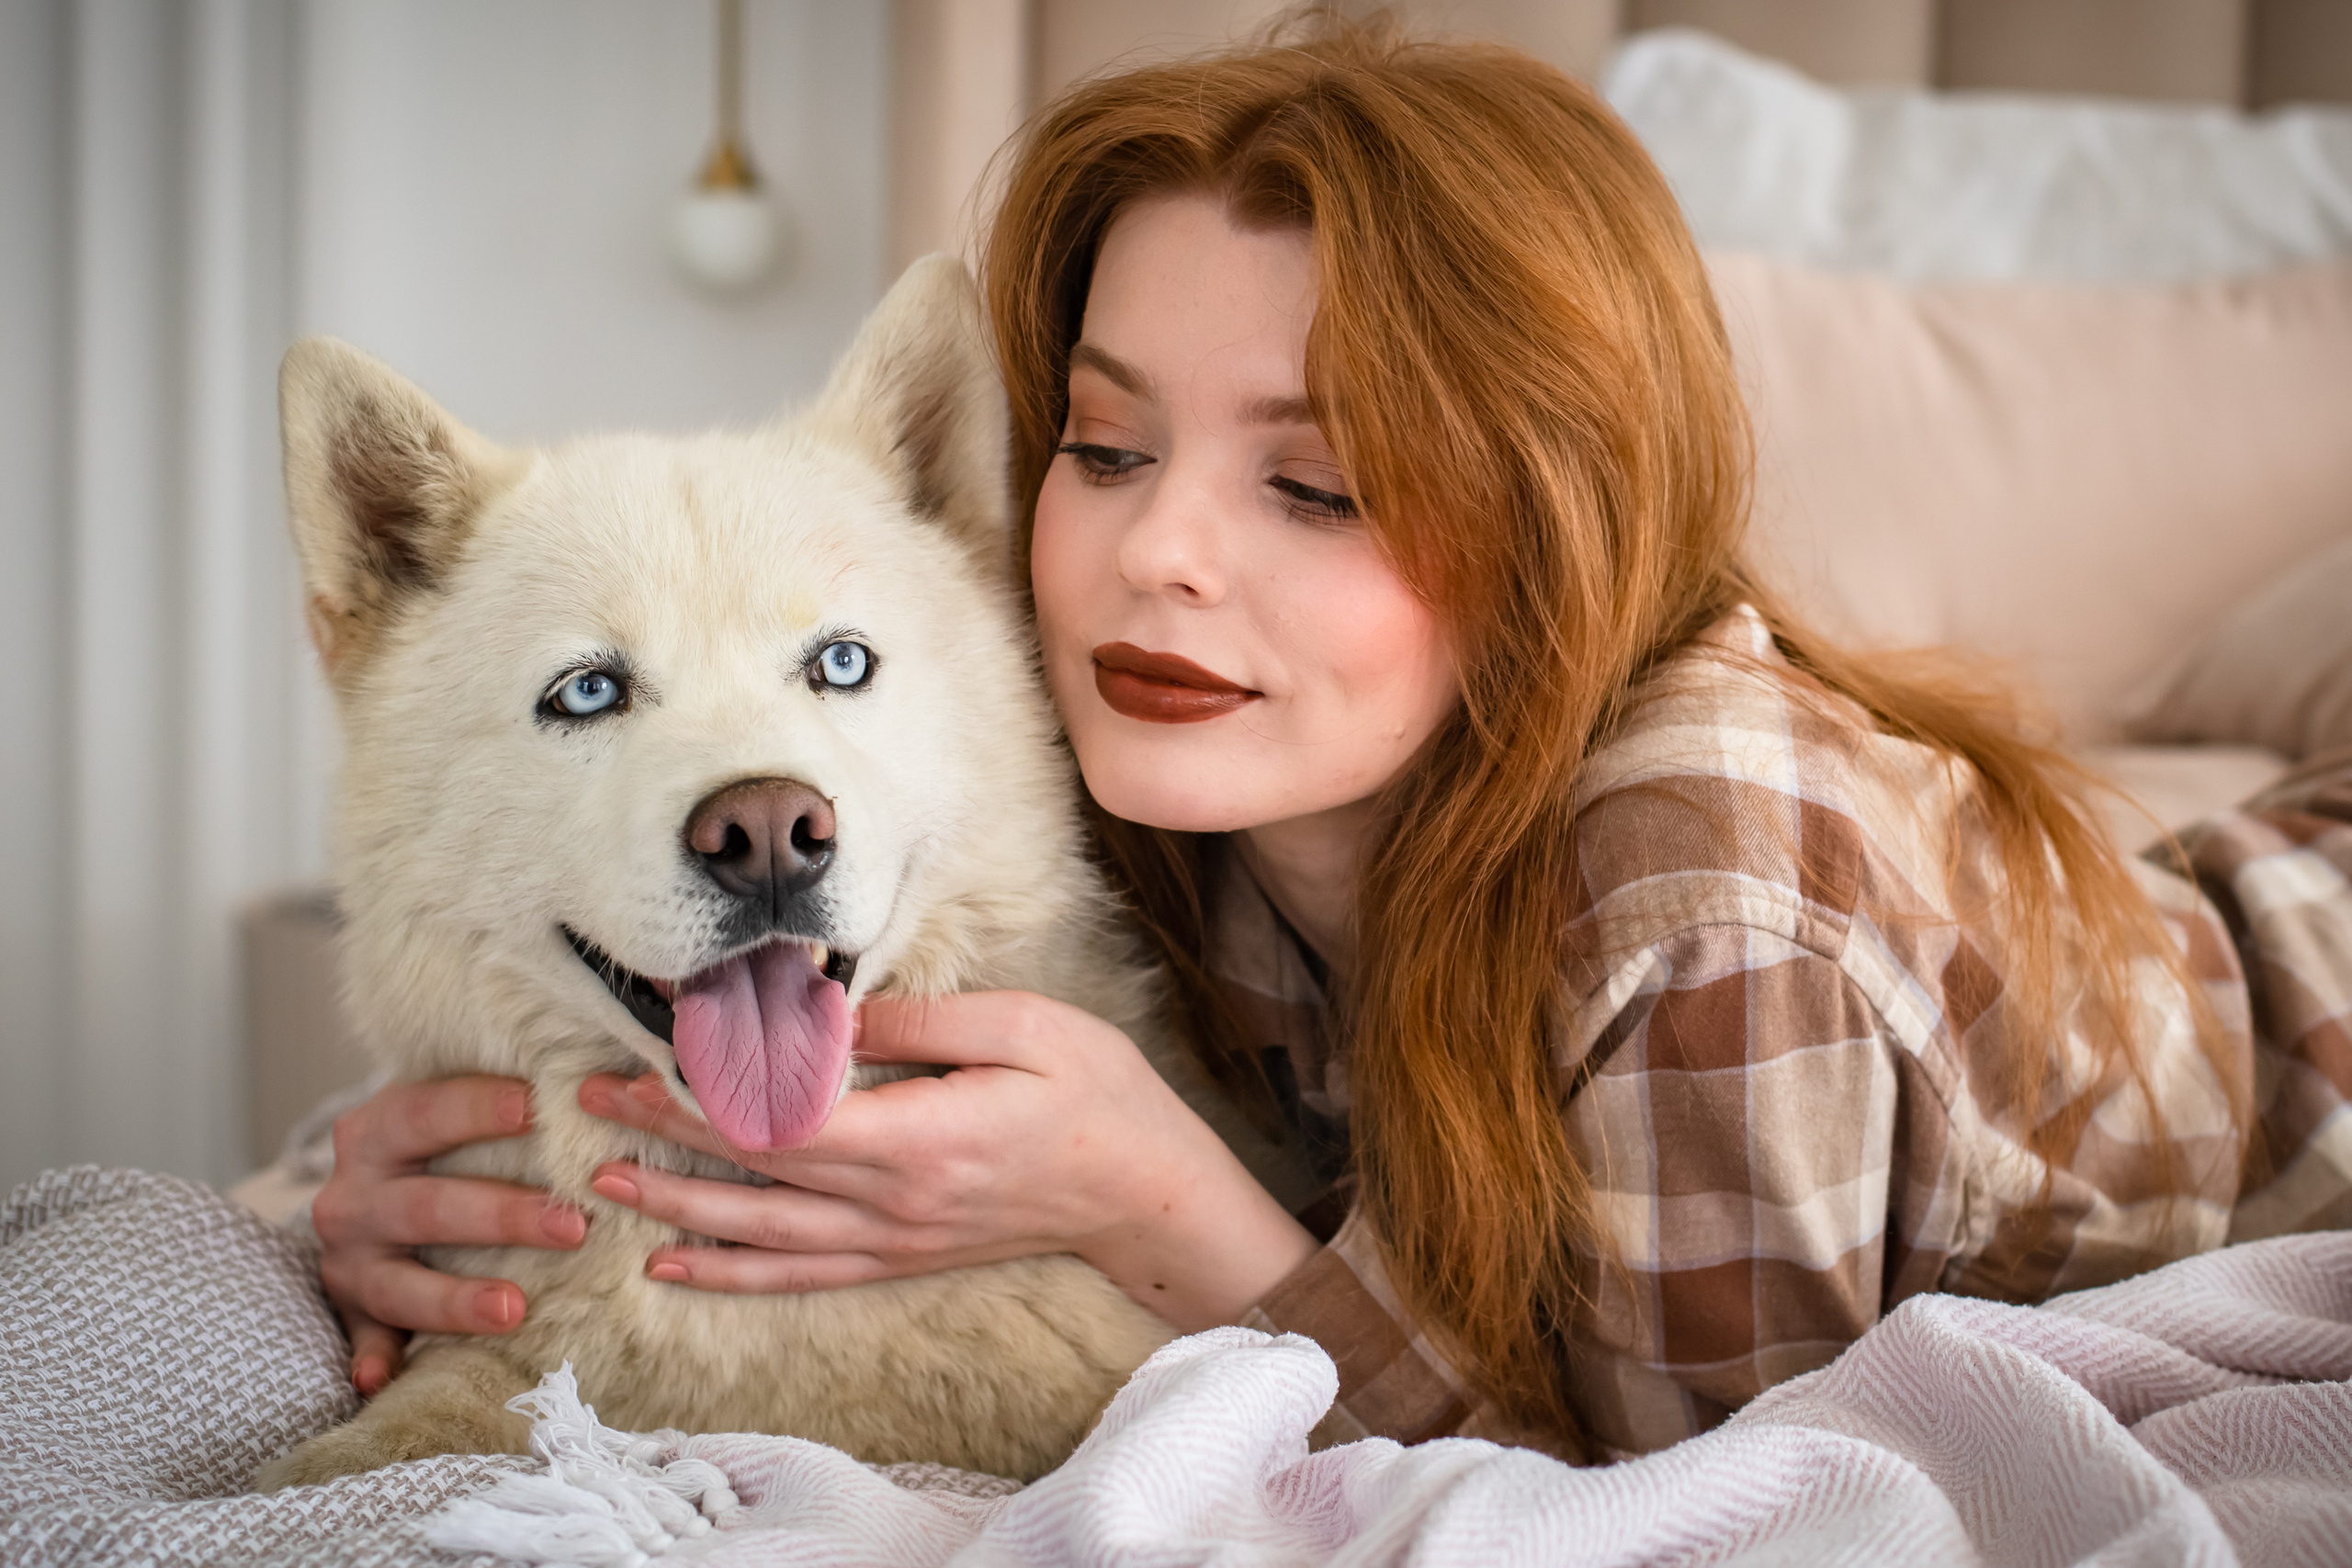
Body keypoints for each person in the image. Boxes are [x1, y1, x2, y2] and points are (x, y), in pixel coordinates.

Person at [303, 19, 2352, 1460]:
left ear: (1537, 536)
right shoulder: (1138, 760)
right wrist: (411, 1181)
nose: (1151, 558)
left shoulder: (1711, 906)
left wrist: (1163, 1209)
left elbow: (1707, 1505)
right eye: (1103, 444)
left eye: (1319, 484)